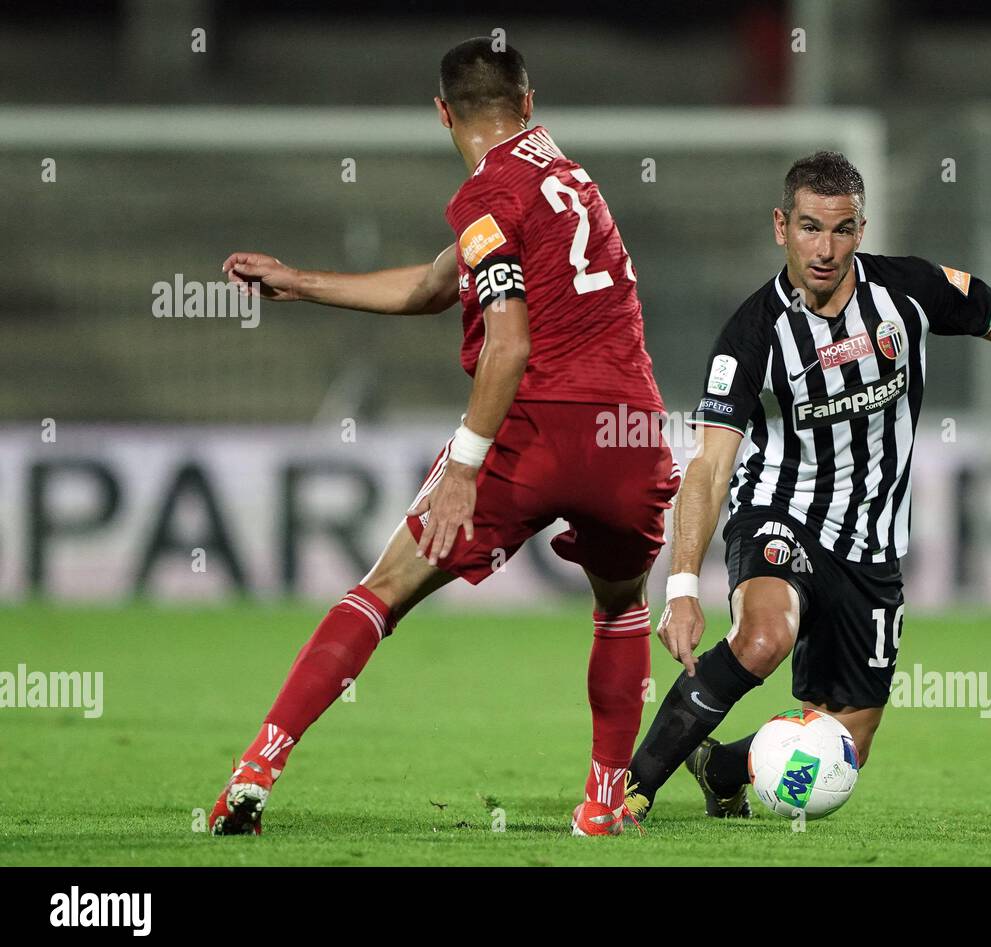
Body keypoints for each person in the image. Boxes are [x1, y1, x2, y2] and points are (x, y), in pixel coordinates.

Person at [209, 37, 676, 838]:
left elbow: (510, 341)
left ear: (441, 113)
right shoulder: (569, 180)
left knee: (381, 590)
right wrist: (301, 281)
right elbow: (434, 284)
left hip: (537, 428)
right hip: (631, 432)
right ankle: (602, 803)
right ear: (527, 105)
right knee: (621, 606)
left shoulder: (488, 196)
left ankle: (255, 771)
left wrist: (464, 465)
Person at [623, 150, 991, 821]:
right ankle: (633, 789)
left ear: (862, 228)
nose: (825, 248)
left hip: (873, 546)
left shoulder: (909, 290)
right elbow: (709, 467)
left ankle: (725, 767)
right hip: (780, 512)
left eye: (842, 229)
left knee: (845, 745)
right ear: (780, 226)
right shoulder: (751, 337)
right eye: (809, 227)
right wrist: (681, 587)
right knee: (766, 637)